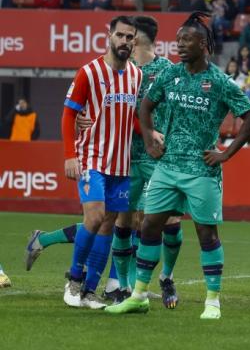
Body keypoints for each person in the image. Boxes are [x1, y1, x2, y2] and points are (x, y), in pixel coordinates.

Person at [106, 12, 250, 319]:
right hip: (166, 166)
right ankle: (138, 295)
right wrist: (149, 137)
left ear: (203, 44)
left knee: (206, 234)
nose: (179, 45)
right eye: (177, 40)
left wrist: (226, 153)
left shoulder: (219, 80)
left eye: (186, 40)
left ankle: (212, 301)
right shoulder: (170, 74)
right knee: (149, 226)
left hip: (201, 169)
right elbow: (146, 105)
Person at [58, 16, 141, 309]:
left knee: (109, 223)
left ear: (135, 41)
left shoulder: (136, 75)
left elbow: (131, 117)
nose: (125, 42)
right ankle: (74, 279)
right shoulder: (89, 72)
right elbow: (69, 114)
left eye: (130, 37)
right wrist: (70, 155)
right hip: (92, 157)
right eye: (120, 36)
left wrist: (151, 133)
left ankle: (91, 291)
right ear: (109, 36)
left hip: (121, 163)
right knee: (94, 217)